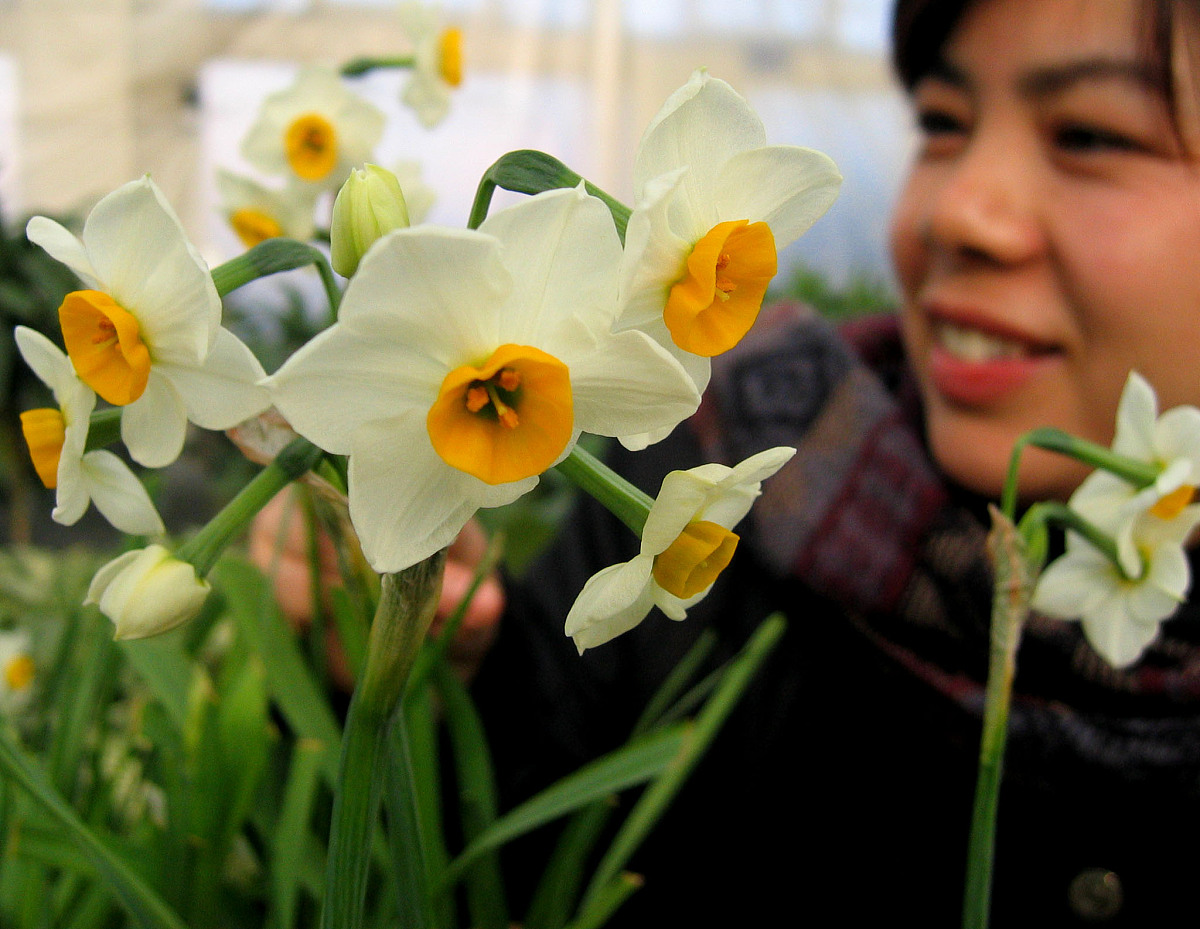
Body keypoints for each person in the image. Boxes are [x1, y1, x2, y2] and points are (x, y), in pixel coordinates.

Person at [463, 0, 1200, 925]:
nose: (957, 213)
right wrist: (415, 665)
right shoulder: (702, 466)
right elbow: (473, 832)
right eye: (942, 122)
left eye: (1090, 134)